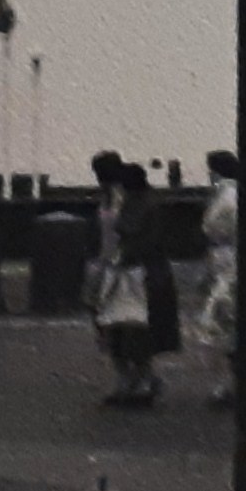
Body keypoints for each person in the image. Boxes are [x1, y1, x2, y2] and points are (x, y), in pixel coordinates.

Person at [89, 154, 163, 410]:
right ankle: (127, 377)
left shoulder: (126, 197)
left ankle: (140, 376)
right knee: (109, 326)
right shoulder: (109, 196)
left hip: (127, 266)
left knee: (132, 325)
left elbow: (129, 228)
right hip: (108, 263)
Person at [196, 148, 242, 408]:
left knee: (212, 327)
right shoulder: (231, 194)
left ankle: (222, 385)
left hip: (227, 264)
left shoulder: (227, 196)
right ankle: (231, 384)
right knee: (230, 328)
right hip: (225, 264)